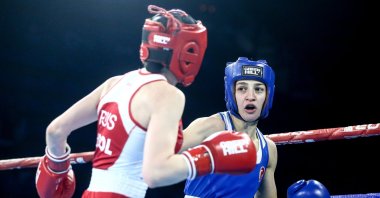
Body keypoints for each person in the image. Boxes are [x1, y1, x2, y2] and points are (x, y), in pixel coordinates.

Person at [35, 5, 258, 198]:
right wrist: (209, 157)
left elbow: (55, 130)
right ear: (189, 51)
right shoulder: (168, 95)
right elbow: (155, 174)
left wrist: (58, 166)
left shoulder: (114, 83)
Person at [181, 57, 278, 197]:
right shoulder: (211, 127)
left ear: (268, 96)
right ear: (231, 93)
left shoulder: (269, 150)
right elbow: (160, 157)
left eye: (258, 89)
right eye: (242, 89)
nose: (250, 96)